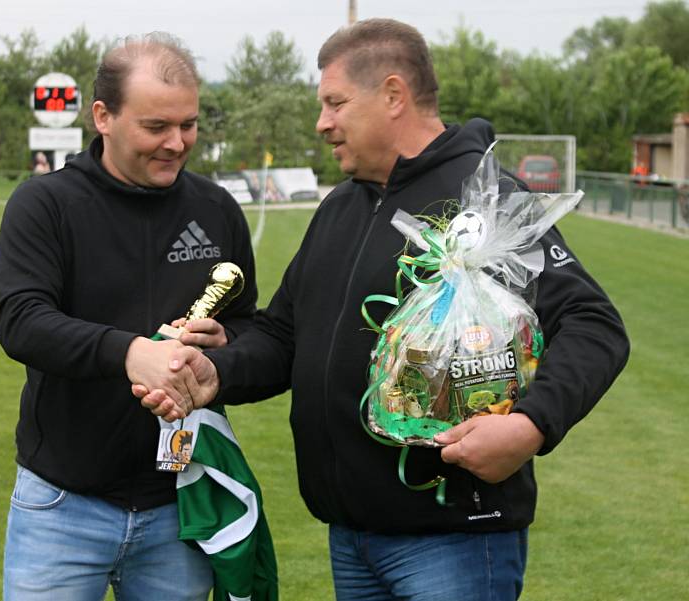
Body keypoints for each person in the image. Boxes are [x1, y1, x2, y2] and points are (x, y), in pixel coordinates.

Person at [136, 18, 629, 601]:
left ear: (393, 94)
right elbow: (285, 336)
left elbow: (594, 324)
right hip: (351, 537)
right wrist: (214, 373)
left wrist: (530, 425)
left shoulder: (486, 197)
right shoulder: (340, 208)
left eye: (335, 103)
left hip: (452, 542)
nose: (322, 123)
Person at [0, 32, 257, 600]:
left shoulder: (215, 209)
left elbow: (255, 328)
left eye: (188, 124)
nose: (177, 142)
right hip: (62, 505)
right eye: (156, 127)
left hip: (181, 506)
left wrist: (226, 343)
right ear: (103, 117)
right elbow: (20, 318)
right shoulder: (45, 204)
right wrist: (132, 353)